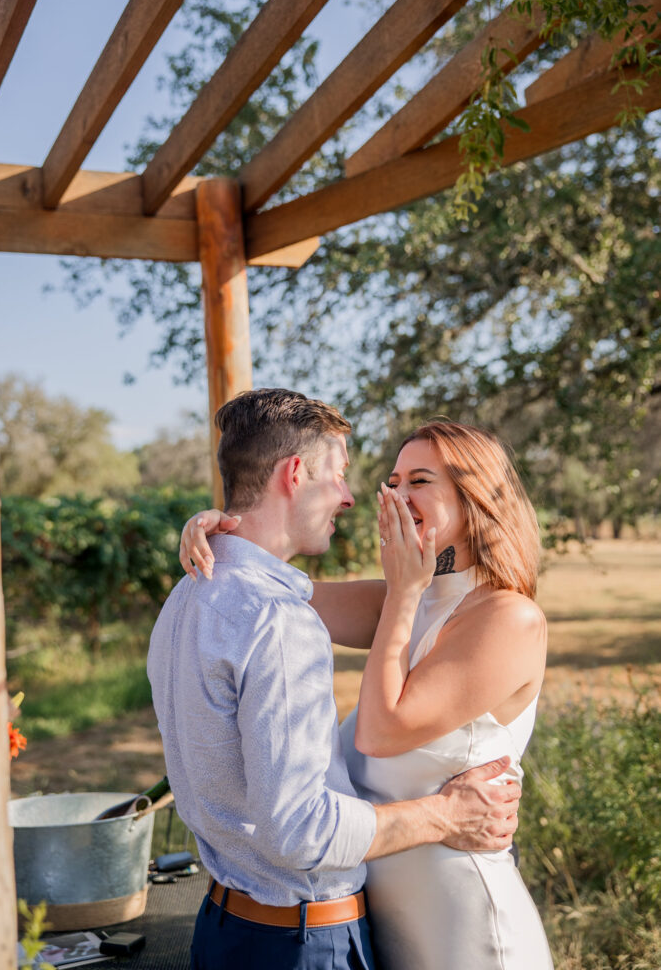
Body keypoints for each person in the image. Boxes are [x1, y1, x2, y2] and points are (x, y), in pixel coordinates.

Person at [150, 389, 521, 970]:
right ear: (296, 472)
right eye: (385, 481)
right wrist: (450, 814)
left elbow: (281, 593)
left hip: (428, 921)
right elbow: (306, 825)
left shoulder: (193, 593)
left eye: (415, 481)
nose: (365, 498)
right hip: (303, 934)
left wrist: (224, 536)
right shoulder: (288, 614)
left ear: (476, 499)